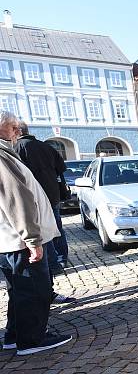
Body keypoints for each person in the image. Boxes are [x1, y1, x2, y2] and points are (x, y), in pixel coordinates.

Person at [0, 111, 73, 355]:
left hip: (10, 239)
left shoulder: (6, 152)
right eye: (13, 128)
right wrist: (33, 240)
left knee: (19, 291)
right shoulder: (2, 156)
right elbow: (17, 199)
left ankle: (13, 336)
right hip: (18, 240)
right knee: (34, 289)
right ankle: (31, 340)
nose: (17, 133)